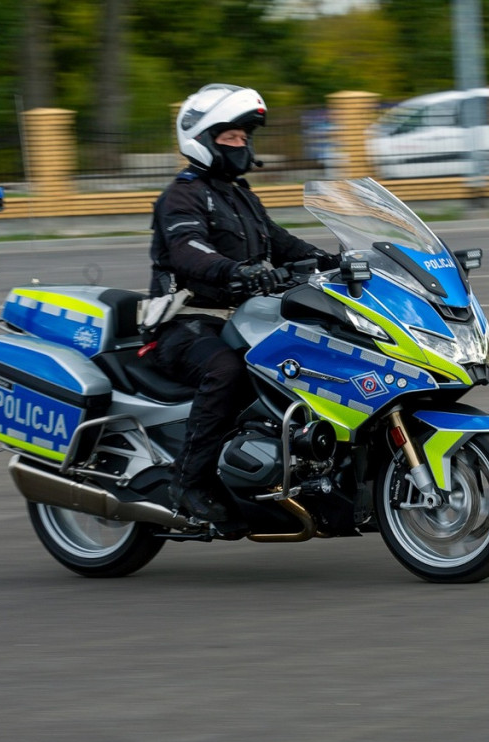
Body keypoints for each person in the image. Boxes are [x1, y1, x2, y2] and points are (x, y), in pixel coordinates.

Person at [147, 83, 337, 536]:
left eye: (243, 137)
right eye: (230, 137)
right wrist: (239, 271)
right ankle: (187, 484)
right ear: (203, 140)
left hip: (243, 319)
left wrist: (341, 261)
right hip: (186, 322)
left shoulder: (241, 195)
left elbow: (284, 243)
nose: (240, 145)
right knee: (227, 371)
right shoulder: (182, 195)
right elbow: (189, 250)